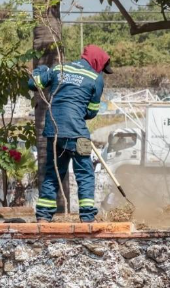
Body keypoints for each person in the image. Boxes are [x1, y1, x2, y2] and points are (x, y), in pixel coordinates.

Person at [28, 45, 112, 223]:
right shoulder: (96, 79)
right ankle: (87, 217)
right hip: (79, 134)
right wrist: (77, 112)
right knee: (85, 173)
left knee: (52, 172)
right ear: (97, 62)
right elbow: (91, 112)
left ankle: (43, 216)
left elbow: (34, 83)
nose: (101, 71)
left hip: (54, 132)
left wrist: (42, 69)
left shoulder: (59, 69)